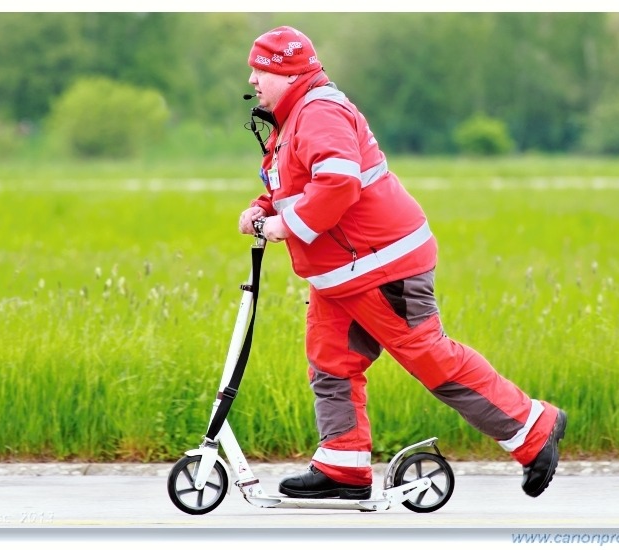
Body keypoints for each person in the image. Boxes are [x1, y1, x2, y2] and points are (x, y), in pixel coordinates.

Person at [238, 25, 567, 500]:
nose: (252, 79)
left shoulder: (319, 113)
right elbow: (296, 184)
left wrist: (284, 227)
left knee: (431, 358)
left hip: (382, 265)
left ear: (288, 73)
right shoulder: (295, 119)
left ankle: (535, 427)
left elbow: (337, 184)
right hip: (343, 274)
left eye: (260, 70)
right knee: (331, 361)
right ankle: (343, 465)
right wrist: (264, 209)